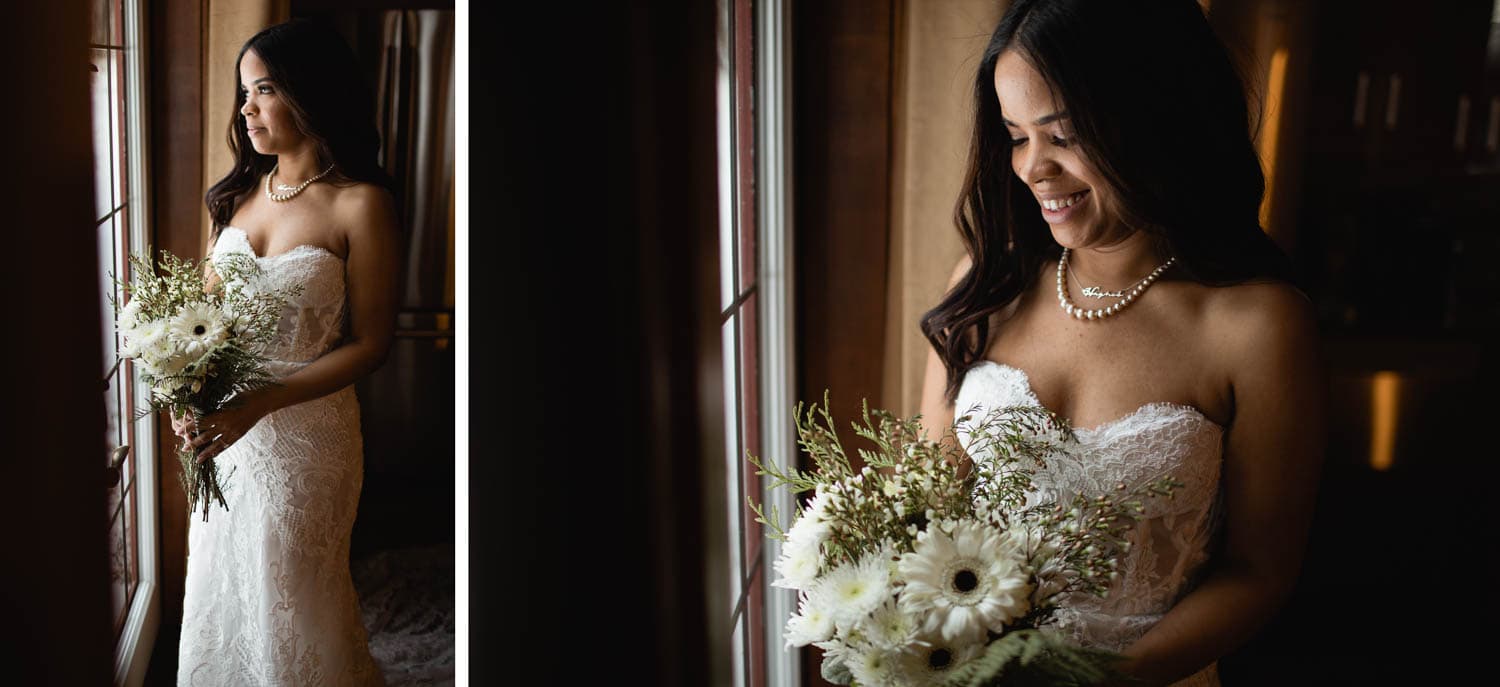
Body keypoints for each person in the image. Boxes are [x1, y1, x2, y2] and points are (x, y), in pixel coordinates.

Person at [917, 1, 1323, 685]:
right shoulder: (984, 288)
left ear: (1157, 121)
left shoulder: (1257, 326)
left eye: (1064, 135)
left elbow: (1260, 569)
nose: (1032, 169)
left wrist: (1103, 677)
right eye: (1017, 136)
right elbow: (929, 507)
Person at [170, 18, 398, 686]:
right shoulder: (237, 195)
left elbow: (372, 345)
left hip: (310, 436)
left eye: (263, 90)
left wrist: (262, 401)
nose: (245, 110)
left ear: (309, 93)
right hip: (228, 435)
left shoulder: (361, 205)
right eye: (245, 92)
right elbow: (202, 324)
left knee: (297, 592)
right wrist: (190, 394)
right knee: (226, 580)